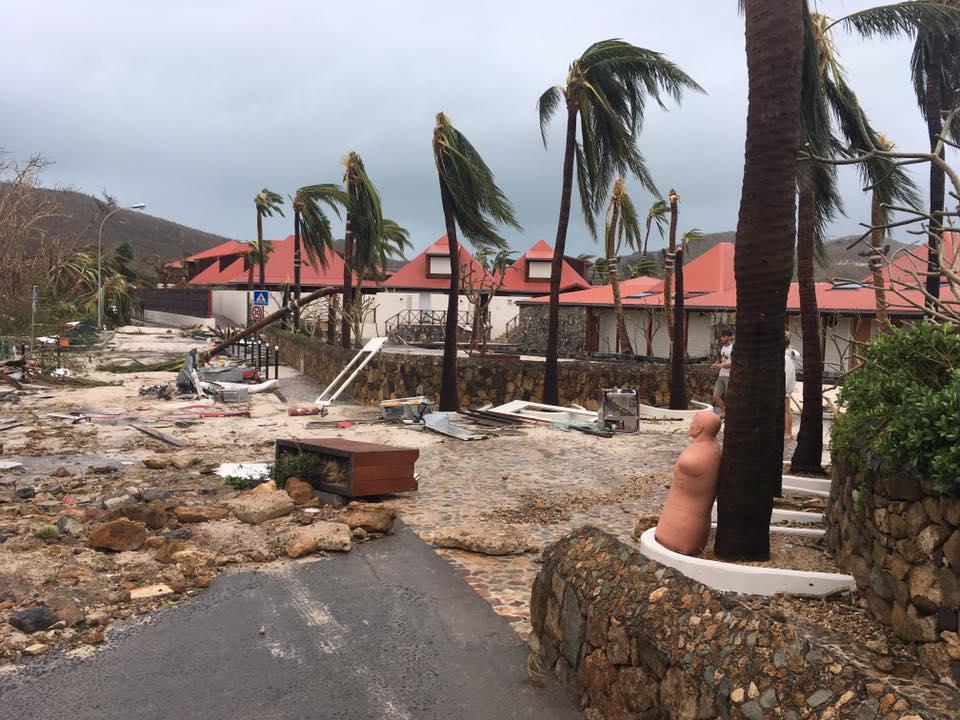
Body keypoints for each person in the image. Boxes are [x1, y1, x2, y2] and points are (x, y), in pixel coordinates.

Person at [711, 329, 733, 417]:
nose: (722, 339)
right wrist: (716, 363)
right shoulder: (721, 347)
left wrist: (721, 365)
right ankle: (724, 412)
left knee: (730, 397)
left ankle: (730, 415)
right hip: (721, 375)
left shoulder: (733, 348)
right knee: (716, 396)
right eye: (721, 337)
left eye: (724, 337)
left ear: (730, 337)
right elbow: (719, 359)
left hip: (730, 376)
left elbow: (733, 364)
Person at [784, 334, 800, 439]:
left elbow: (786, 374)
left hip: (784, 387)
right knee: (787, 409)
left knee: (785, 409)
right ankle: (787, 432)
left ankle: (787, 432)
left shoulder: (785, 358)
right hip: (787, 387)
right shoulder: (789, 355)